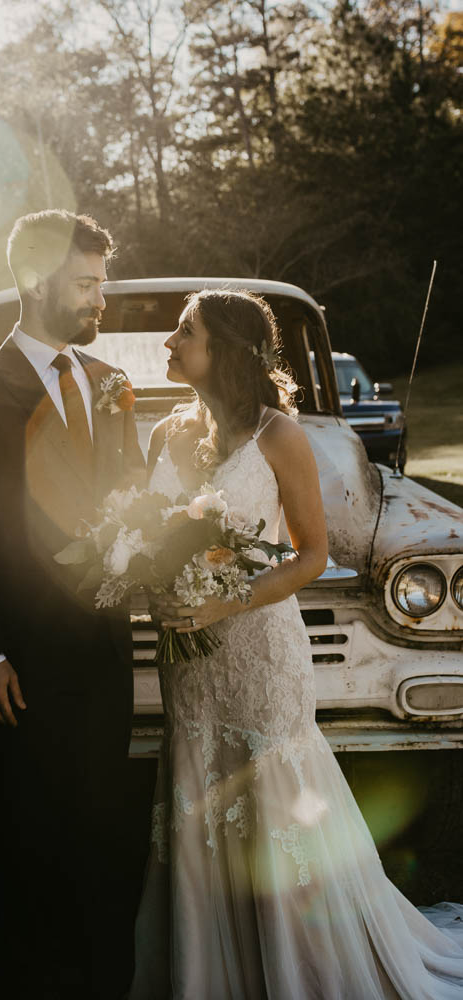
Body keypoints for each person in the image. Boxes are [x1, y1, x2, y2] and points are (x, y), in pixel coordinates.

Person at [129, 288, 463, 999]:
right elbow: (149, 530)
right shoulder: (164, 436)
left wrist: (227, 599)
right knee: (199, 790)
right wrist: (149, 574)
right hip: (189, 660)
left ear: (223, 347)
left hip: (257, 649)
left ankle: (298, 970)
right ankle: (210, 970)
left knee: (273, 798)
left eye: (182, 333)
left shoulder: (278, 435)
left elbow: (310, 555)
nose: (168, 346)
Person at [0, 210, 145, 999]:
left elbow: (128, 501)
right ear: (36, 282)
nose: (99, 303)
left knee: (103, 823)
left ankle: (105, 976)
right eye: (85, 286)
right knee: (29, 827)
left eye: (100, 285)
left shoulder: (106, 383)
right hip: (20, 659)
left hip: (105, 647)